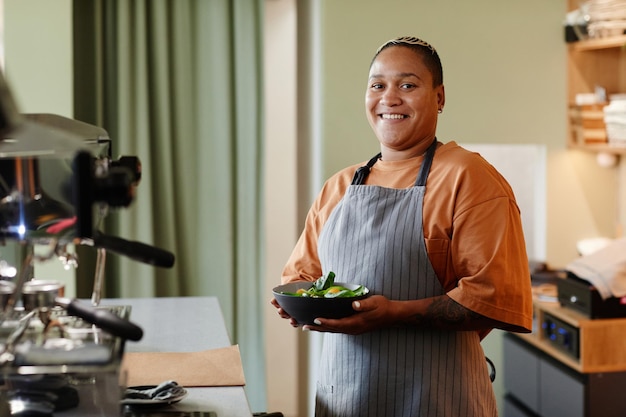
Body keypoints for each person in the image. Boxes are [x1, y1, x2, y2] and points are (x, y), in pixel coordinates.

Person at [271, 36, 533, 417]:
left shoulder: (468, 177)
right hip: (344, 399)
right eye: (378, 85)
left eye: (407, 85)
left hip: (440, 401)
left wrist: (393, 312)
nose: (389, 98)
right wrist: (296, 303)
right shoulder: (340, 186)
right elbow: (302, 277)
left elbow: (493, 300)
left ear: (439, 98)